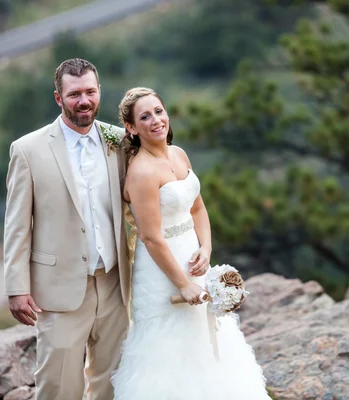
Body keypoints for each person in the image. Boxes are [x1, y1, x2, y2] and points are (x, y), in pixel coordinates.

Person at [111, 87, 271, 399]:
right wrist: (182, 284)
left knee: (205, 338)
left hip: (194, 259)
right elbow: (150, 237)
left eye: (159, 111)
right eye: (145, 116)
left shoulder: (179, 154)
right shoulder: (141, 172)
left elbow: (197, 207)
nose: (156, 120)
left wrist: (206, 248)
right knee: (170, 349)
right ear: (131, 128)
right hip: (162, 271)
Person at [3, 58, 131, 400]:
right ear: (59, 98)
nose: (84, 100)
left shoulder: (120, 141)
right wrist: (17, 287)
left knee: (113, 382)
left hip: (115, 283)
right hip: (58, 288)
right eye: (75, 94)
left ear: (100, 91)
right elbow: (17, 225)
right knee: (58, 385)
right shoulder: (28, 150)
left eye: (90, 91)